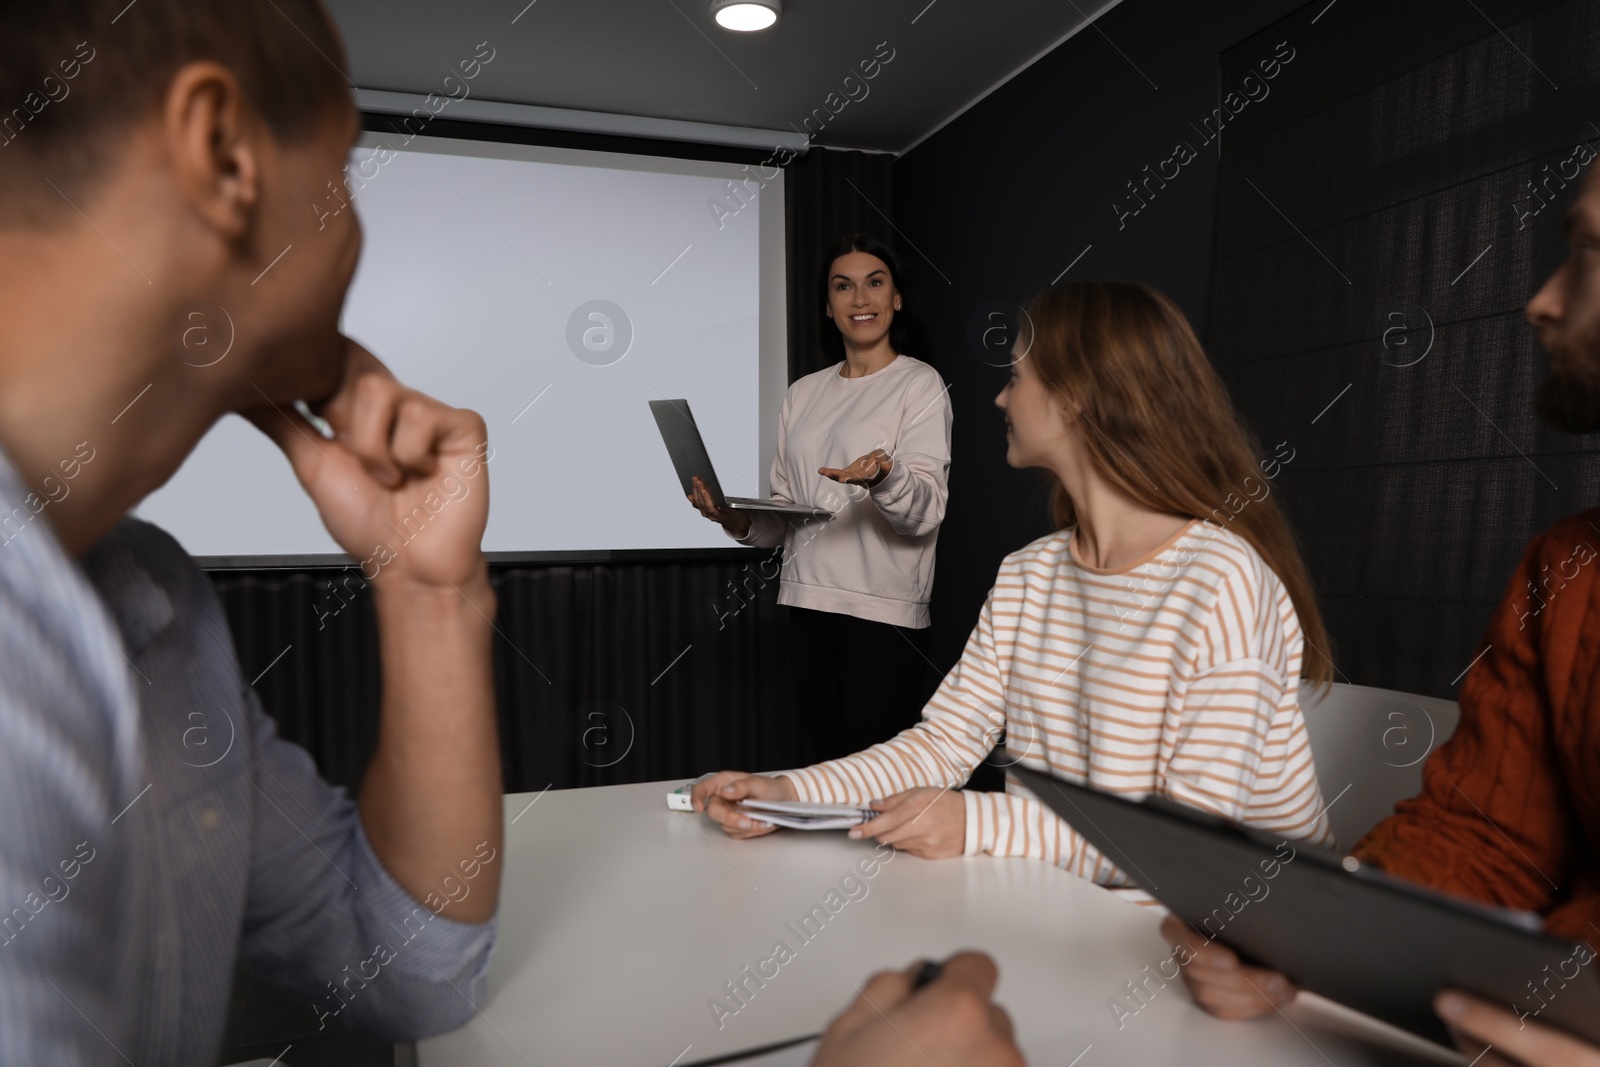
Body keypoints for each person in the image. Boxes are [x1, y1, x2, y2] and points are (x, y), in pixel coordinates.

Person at [1160, 157, 1600, 1067]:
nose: (1540, 303)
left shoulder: (1222, 573)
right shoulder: (1567, 568)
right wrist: (1310, 941)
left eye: (1590, 252)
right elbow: (1486, 837)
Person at [694, 280, 1337, 889]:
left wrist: (975, 821)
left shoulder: (1220, 580)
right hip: (1063, 905)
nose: (1001, 399)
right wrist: (789, 792)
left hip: (1232, 948)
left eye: (1016, 377)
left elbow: (1189, 844)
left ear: (1076, 396)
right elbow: (943, 745)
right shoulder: (1030, 574)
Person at [688, 233, 952, 762]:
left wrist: (882, 476)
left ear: (896, 298)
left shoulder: (920, 385)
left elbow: (924, 512)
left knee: (877, 779)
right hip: (808, 604)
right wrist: (734, 519)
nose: (860, 299)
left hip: (884, 616)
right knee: (830, 772)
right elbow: (786, 517)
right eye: (843, 286)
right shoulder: (802, 393)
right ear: (828, 307)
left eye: (875, 283)